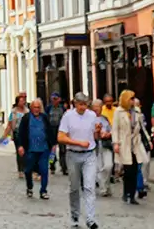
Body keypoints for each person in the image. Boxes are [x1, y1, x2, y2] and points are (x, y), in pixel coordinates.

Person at [58, 91, 100, 229]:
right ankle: (75, 215)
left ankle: (90, 219)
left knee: (89, 186)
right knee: (74, 187)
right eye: (80, 104)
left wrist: (99, 131)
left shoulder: (92, 115)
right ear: (75, 103)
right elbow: (61, 137)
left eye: (85, 105)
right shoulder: (68, 116)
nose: (83, 107)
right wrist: (78, 143)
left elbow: (95, 135)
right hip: (73, 154)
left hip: (89, 154)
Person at [112, 89, 148, 206]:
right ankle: (126, 193)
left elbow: (142, 127)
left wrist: (148, 138)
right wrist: (116, 143)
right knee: (128, 171)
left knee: (135, 169)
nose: (133, 101)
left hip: (135, 144)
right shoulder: (118, 112)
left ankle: (132, 195)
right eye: (131, 98)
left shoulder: (137, 111)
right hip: (124, 144)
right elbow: (115, 129)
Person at [16, 98, 55, 200]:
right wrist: (20, 146)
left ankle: (43, 191)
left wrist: (53, 144)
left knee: (44, 170)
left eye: (38, 107)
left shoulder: (44, 117)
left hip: (44, 149)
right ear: (31, 108)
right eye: (34, 107)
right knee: (28, 170)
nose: (36, 109)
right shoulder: (26, 118)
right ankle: (29, 187)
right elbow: (21, 133)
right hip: (31, 149)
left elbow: (50, 131)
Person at [91, 102, 113, 197]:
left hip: (106, 144)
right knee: (99, 168)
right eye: (94, 107)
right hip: (96, 146)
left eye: (98, 107)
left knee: (109, 165)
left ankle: (106, 185)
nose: (96, 109)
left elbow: (111, 130)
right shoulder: (90, 119)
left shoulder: (104, 118)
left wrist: (108, 134)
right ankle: (103, 188)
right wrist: (97, 132)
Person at [4, 91, 28, 174]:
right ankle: (20, 169)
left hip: (26, 133)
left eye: (23, 101)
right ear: (17, 103)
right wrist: (5, 135)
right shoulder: (13, 112)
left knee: (25, 151)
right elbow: (9, 124)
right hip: (17, 133)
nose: (23, 102)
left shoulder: (27, 111)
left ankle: (26, 167)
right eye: (21, 101)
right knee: (19, 151)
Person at [48, 92, 66, 175]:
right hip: (51, 130)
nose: (54, 101)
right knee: (52, 150)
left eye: (56, 99)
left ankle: (64, 167)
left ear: (59, 99)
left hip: (61, 130)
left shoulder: (62, 108)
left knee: (63, 150)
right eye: (53, 99)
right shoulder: (48, 108)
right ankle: (52, 165)